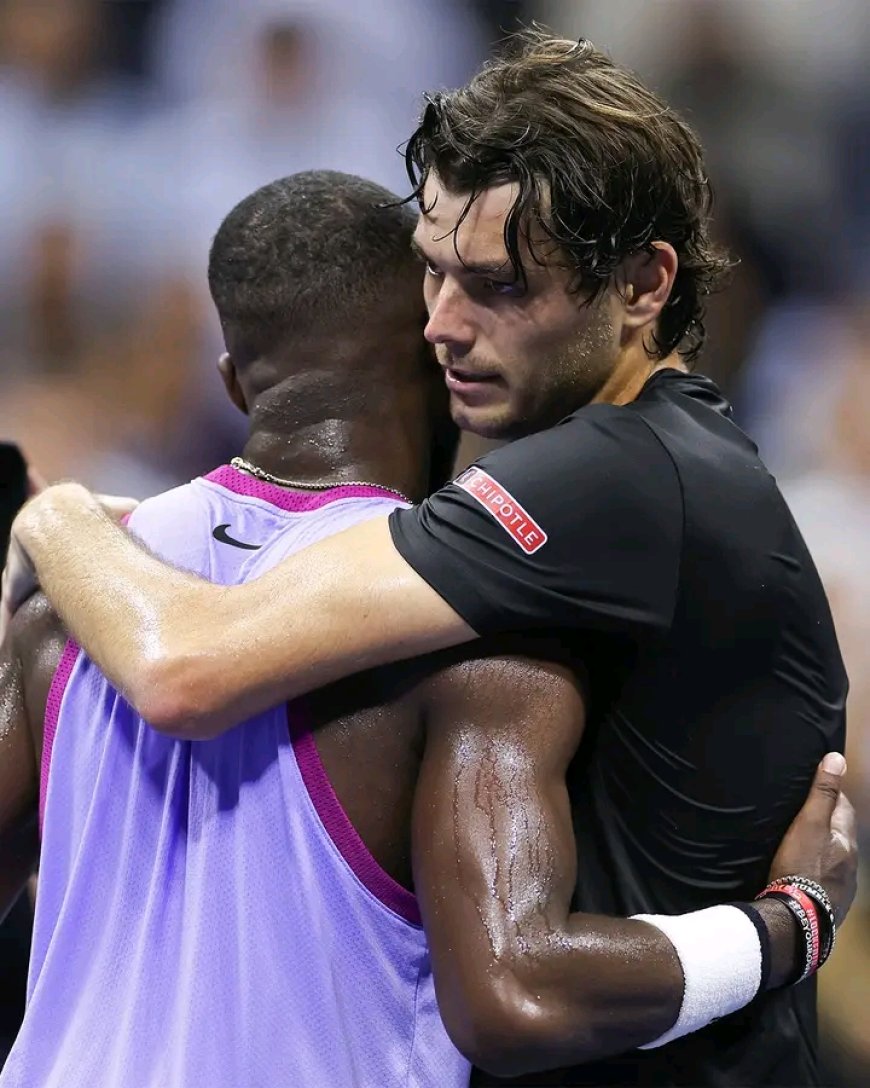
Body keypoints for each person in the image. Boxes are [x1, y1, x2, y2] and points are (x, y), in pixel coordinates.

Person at [4, 34, 853, 1084]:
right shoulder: (624, 482)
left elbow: (185, 663)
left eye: (496, 284)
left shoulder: (618, 475)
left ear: (643, 284)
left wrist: (57, 518)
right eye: (435, 273)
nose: (441, 324)